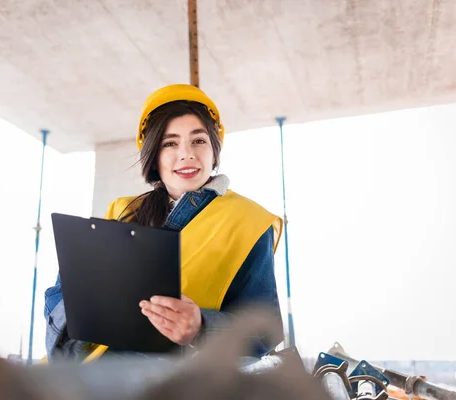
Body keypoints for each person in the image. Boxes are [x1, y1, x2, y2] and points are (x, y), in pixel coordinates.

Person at [44, 84, 284, 363]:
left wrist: (200, 327)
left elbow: (263, 330)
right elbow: (61, 292)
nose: (187, 154)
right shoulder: (122, 211)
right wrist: (82, 301)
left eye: (199, 140)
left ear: (214, 149)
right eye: (170, 143)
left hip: (179, 385)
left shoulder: (249, 221)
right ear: (154, 156)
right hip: (96, 379)